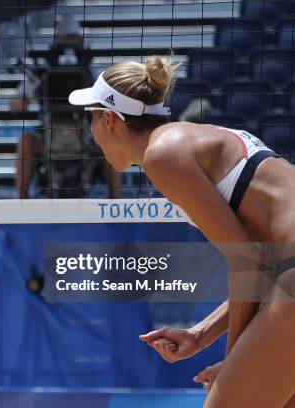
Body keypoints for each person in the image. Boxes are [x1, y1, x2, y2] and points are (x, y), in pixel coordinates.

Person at [69, 57, 295, 407]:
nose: (91, 133)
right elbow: (260, 263)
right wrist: (201, 335)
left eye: (91, 118)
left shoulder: (163, 154)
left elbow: (247, 261)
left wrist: (233, 361)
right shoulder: (189, 140)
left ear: (109, 118)